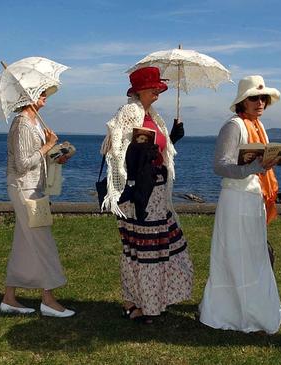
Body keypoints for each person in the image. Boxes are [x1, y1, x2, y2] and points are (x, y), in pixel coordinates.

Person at [101, 66, 192, 324]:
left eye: (158, 89)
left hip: (157, 190)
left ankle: (146, 301)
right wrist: (140, 153)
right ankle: (137, 303)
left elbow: (162, 149)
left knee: (153, 247)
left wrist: (172, 137)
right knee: (141, 248)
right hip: (139, 192)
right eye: (153, 88)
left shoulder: (153, 115)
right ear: (139, 90)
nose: (157, 93)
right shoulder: (129, 112)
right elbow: (114, 149)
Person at [198, 75, 281, 334]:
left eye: (263, 98)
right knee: (236, 254)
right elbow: (220, 166)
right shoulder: (234, 126)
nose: (260, 102)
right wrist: (256, 166)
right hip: (236, 199)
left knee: (253, 254)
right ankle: (233, 311)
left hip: (253, 196)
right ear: (243, 101)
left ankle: (253, 308)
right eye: (254, 98)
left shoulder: (259, 126)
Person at [1, 89, 75, 318]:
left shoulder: (33, 122)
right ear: (28, 96)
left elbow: (37, 157)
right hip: (25, 190)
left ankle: (9, 298)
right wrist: (47, 144)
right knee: (44, 243)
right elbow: (23, 164)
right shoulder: (22, 124)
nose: (45, 96)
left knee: (24, 244)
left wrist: (56, 154)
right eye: (40, 92)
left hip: (34, 188)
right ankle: (48, 300)